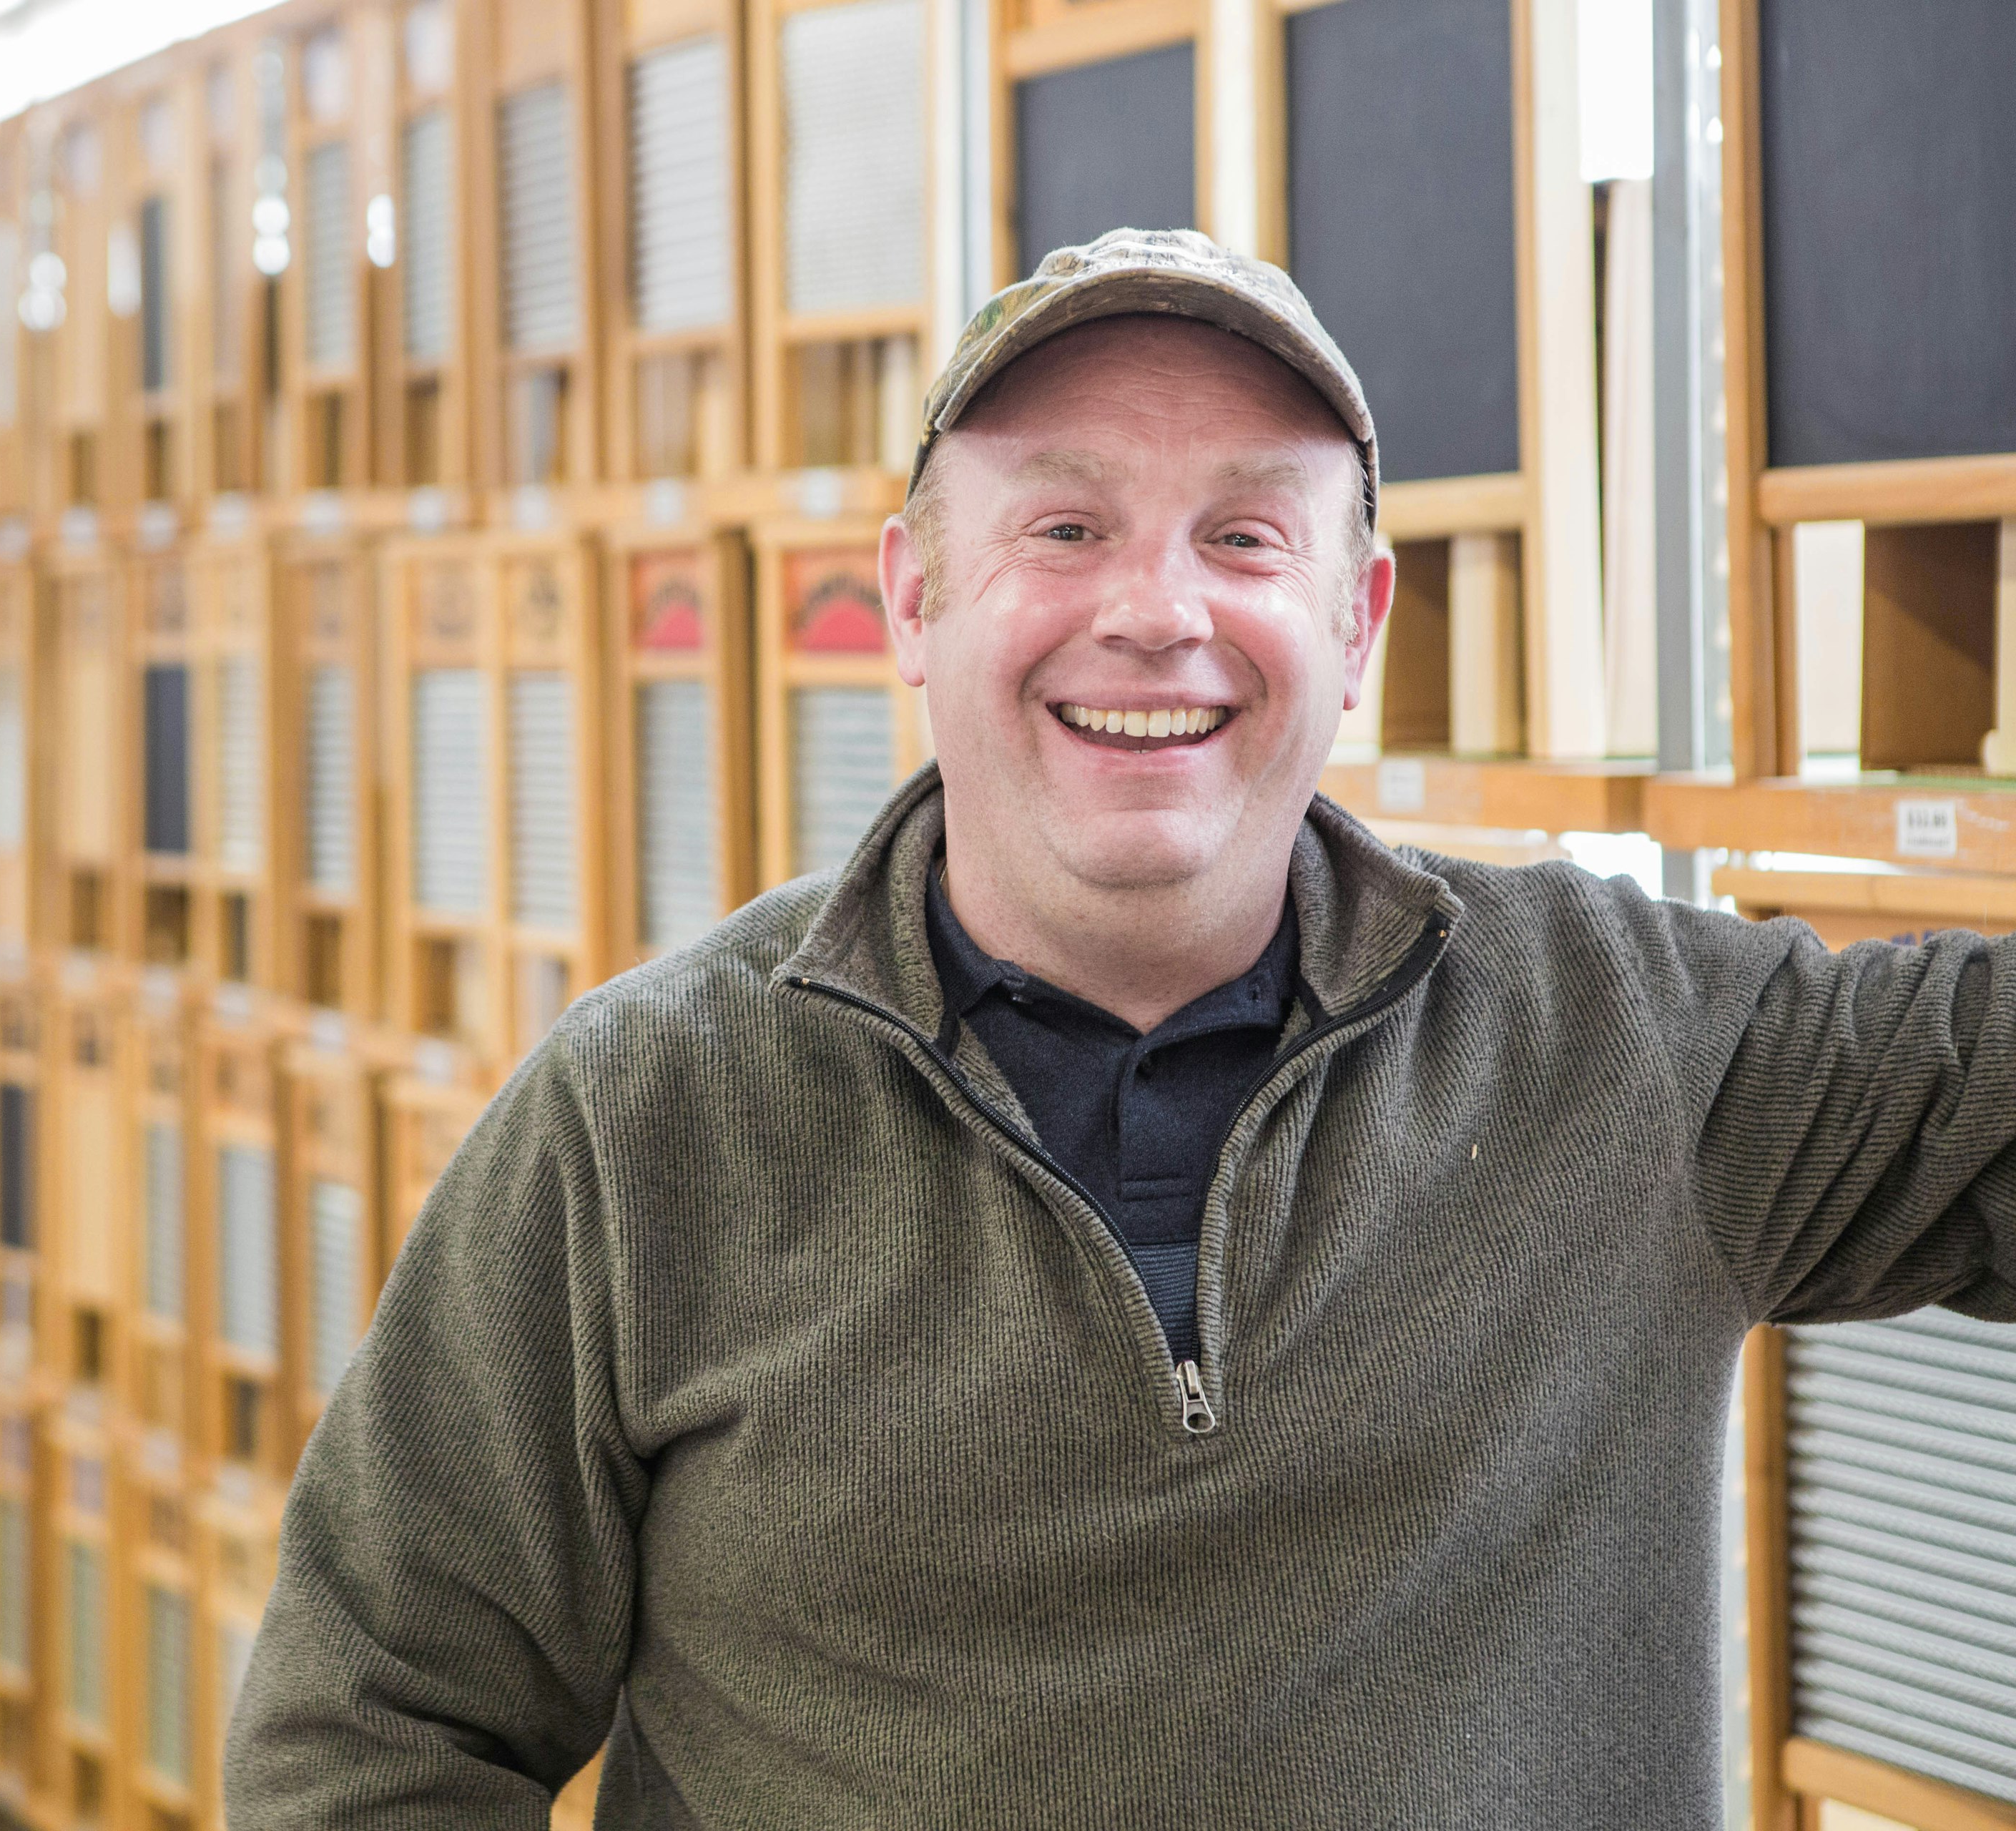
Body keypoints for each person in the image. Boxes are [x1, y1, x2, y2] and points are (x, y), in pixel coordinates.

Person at [223, 228, 2016, 1827]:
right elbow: (374, 1729)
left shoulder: (1640, 1043)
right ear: (913, 602)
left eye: (1244, 535)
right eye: (1065, 526)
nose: (1156, 613)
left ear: (1354, 614)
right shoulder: (642, 1115)